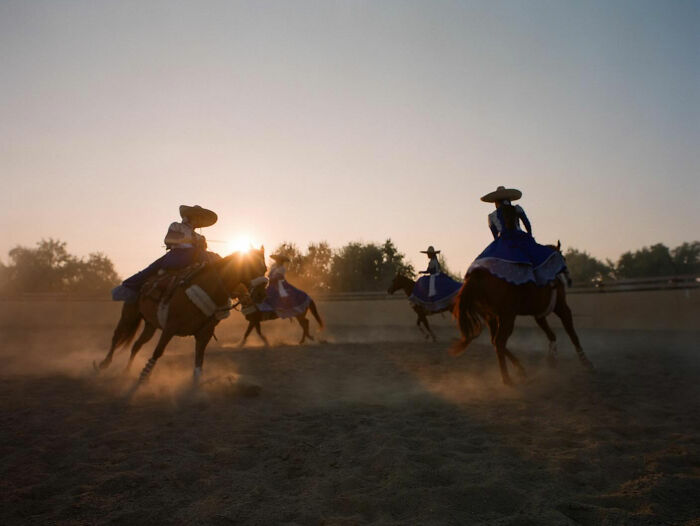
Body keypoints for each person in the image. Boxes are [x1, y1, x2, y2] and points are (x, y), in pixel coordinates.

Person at [111, 205, 219, 302]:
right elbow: (169, 239)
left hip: (195, 257)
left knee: (215, 259)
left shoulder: (199, 236)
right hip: (177, 256)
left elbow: (202, 250)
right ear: (191, 216)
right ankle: (130, 287)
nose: (199, 220)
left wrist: (202, 243)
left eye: (201, 218)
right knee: (150, 269)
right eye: (198, 217)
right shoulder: (176, 226)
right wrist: (191, 240)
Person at [467, 186, 567, 286]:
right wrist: (529, 238)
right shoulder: (517, 209)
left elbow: (495, 237)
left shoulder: (491, 216)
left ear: (496, 202)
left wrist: (498, 247)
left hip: (504, 241)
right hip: (521, 238)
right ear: (509, 200)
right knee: (534, 260)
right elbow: (528, 225)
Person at [256, 254, 311, 318]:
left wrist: (271, 278)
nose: (278, 261)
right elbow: (269, 274)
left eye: (279, 260)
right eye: (277, 260)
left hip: (280, 283)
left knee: (282, 293)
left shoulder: (282, 268)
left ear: (282, 261)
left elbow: (278, 277)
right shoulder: (273, 267)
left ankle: (281, 308)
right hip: (271, 283)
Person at [409, 246, 462, 311]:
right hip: (435, 275)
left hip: (434, 276)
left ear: (431, 254)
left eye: (428, 254)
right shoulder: (433, 261)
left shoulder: (433, 261)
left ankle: (430, 300)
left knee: (424, 282)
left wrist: (423, 272)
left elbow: (430, 271)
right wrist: (422, 272)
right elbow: (429, 270)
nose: (427, 255)